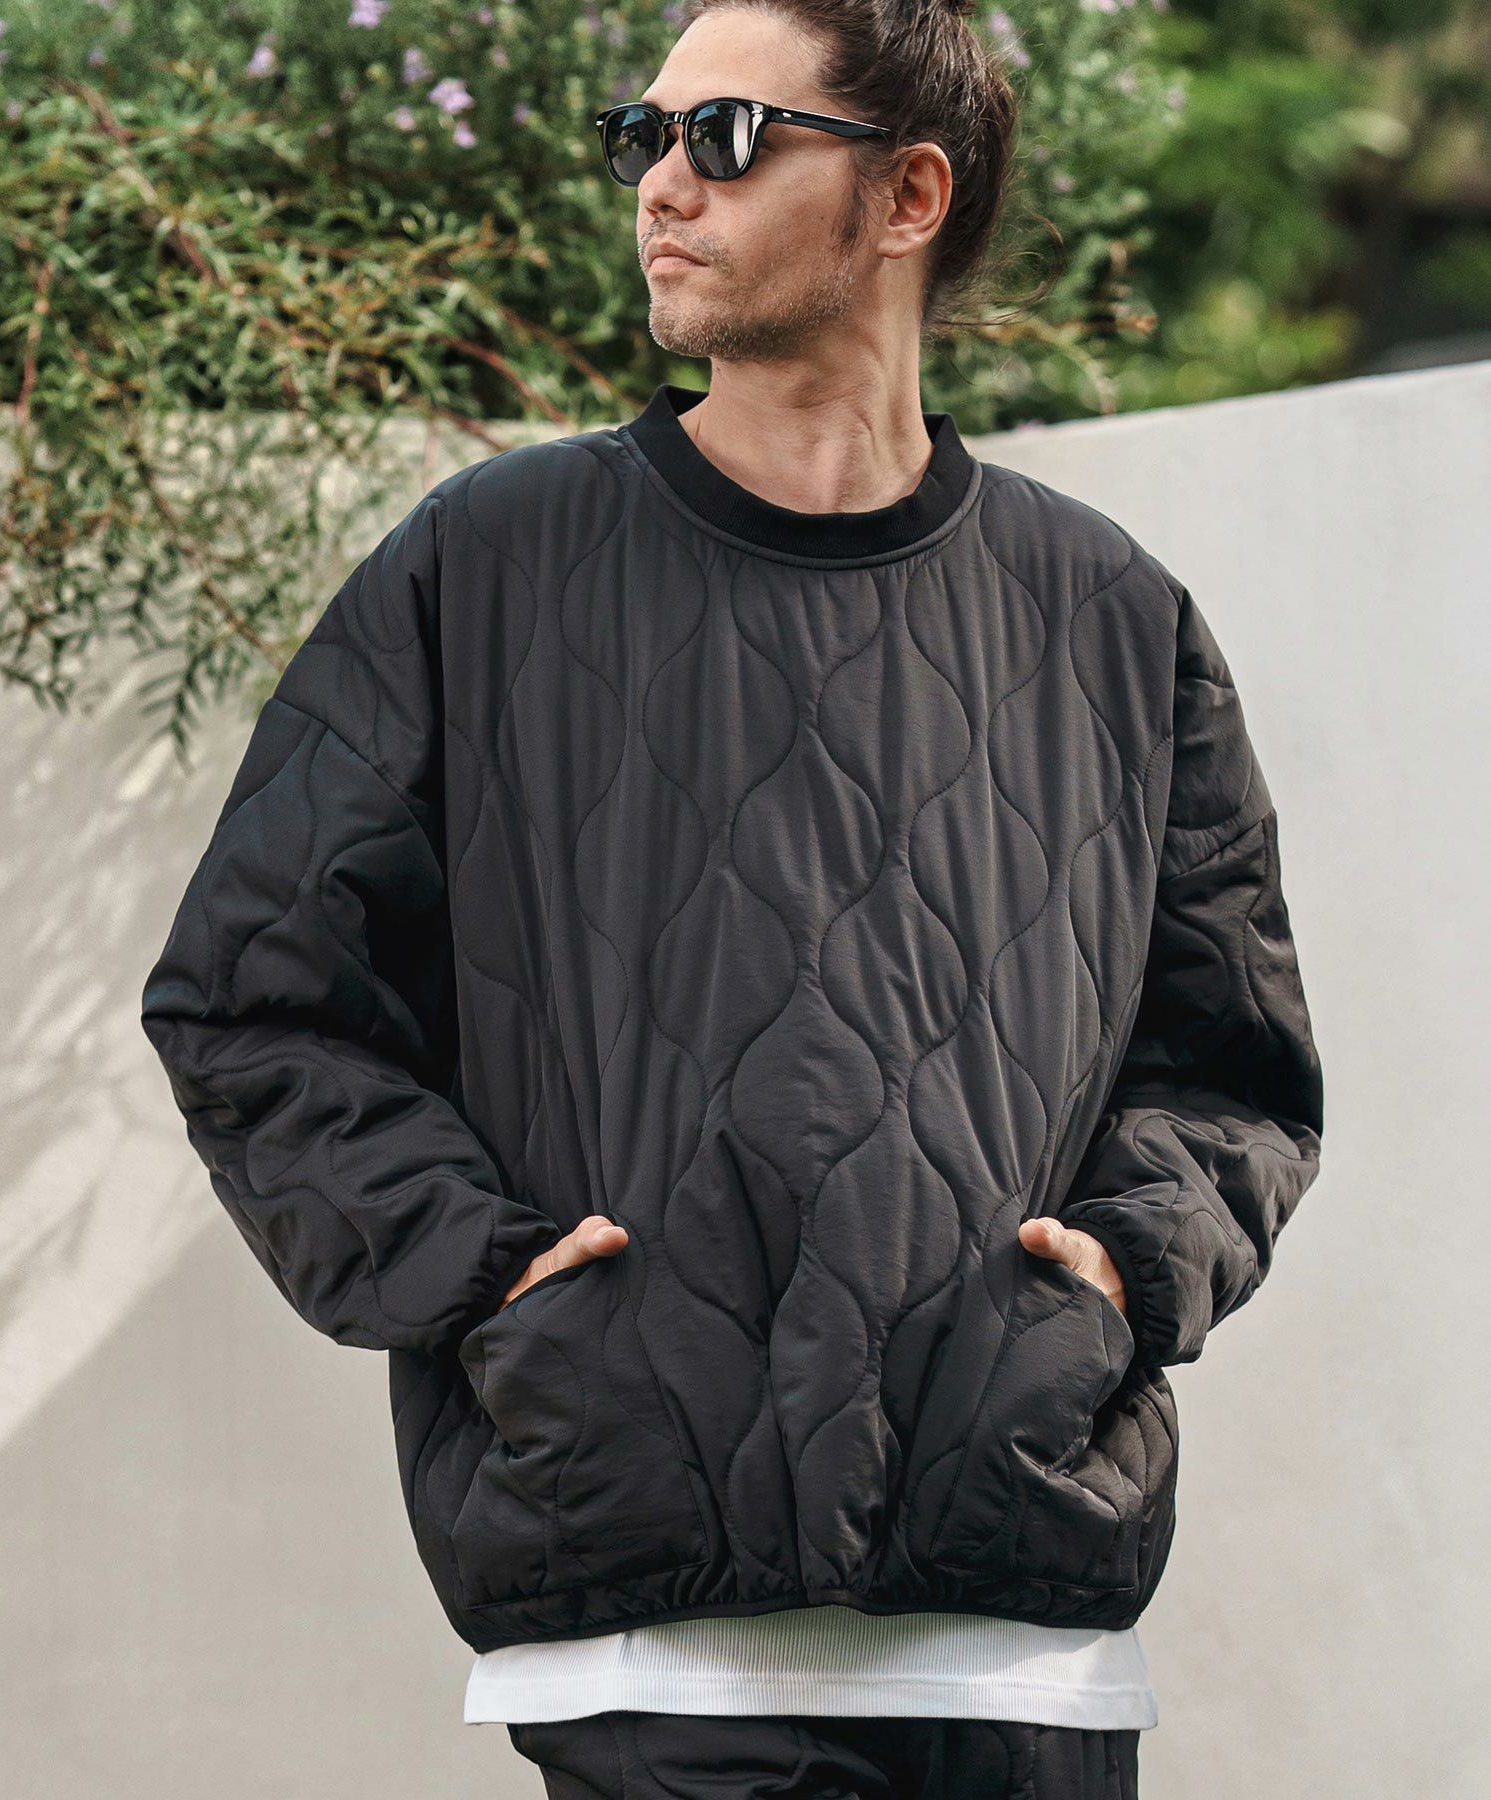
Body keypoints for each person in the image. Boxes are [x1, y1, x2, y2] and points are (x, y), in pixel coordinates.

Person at [139, 0, 1325, 1794]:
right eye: (644, 136)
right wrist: (496, 1280)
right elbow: (252, 1005)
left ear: (908, 194)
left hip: (1022, 1647)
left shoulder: (1111, 617)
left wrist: (1119, 1273)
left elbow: (1233, 1069)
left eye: (723, 137)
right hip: (647, 1635)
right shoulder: (485, 567)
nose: (659, 187)